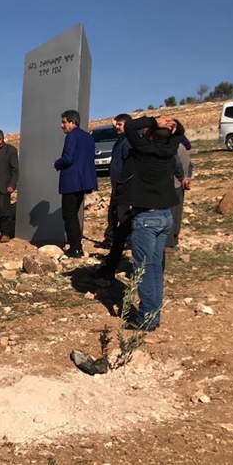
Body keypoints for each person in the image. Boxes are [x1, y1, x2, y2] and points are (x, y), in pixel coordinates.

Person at [114, 116, 184, 331]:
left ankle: (146, 318)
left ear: (151, 134)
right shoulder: (170, 150)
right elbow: (180, 133)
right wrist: (173, 125)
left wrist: (155, 120)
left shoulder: (144, 150)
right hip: (165, 216)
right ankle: (153, 315)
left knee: (143, 269)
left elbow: (131, 126)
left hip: (147, 218)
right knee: (154, 269)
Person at [53, 109, 98, 258]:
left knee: (69, 214)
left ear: (72, 122)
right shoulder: (88, 137)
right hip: (84, 181)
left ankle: (75, 247)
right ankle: (76, 245)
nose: (62, 125)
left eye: (64, 122)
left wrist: (57, 163)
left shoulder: (71, 136)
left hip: (72, 181)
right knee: (73, 213)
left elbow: (68, 158)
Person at [100, 114, 133, 249]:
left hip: (124, 186)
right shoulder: (119, 141)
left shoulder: (129, 142)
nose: (116, 127)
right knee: (113, 213)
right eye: (116, 124)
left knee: (123, 214)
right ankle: (110, 237)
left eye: (119, 124)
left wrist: (125, 182)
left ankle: (128, 239)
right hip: (116, 185)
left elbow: (128, 165)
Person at [166, 139, 193, 252]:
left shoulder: (170, 149)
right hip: (180, 185)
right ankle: (174, 241)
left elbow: (176, 165)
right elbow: (190, 165)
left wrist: (182, 178)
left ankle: (169, 244)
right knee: (177, 213)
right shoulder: (181, 146)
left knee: (170, 215)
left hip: (172, 185)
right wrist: (187, 178)